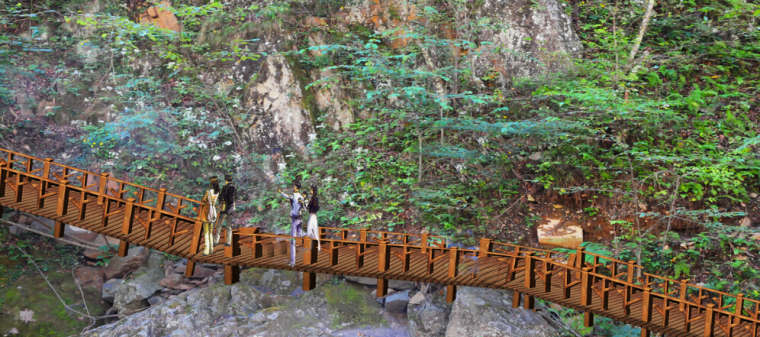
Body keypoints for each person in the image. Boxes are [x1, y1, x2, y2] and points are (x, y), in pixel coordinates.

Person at [280, 181, 305, 267]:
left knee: (293, 240)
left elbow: (287, 196)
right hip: (300, 218)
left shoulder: (294, 196)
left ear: (296, 188)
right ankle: (303, 258)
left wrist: (281, 192)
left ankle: (293, 262)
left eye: (294, 187)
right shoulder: (301, 197)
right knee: (301, 237)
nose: (292, 188)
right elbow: (304, 209)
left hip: (295, 219)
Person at [214, 174, 237, 247]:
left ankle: (216, 241)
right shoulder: (234, 187)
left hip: (224, 209)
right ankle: (228, 242)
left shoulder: (225, 187)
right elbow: (234, 198)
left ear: (225, 180)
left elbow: (221, 197)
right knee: (229, 226)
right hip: (231, 209)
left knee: (219, 225)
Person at [200, 176, 221, 256]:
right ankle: (211, 249)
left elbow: (203, 200)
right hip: (213, 212)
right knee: (211, 232)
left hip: (206, 211)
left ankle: (206, 250)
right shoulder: (217, 192)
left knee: (206, 232)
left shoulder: (209, 191)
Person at [304, 184, 321, 251]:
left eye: (311, 189)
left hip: (312, 216)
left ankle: (311, 246)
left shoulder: (313, 199)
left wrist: (305, 202)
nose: (310, 191)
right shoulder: (315, 199)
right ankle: (316, 247)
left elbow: (308, 206)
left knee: (310, 231)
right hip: (313, 216)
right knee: (313, 231)